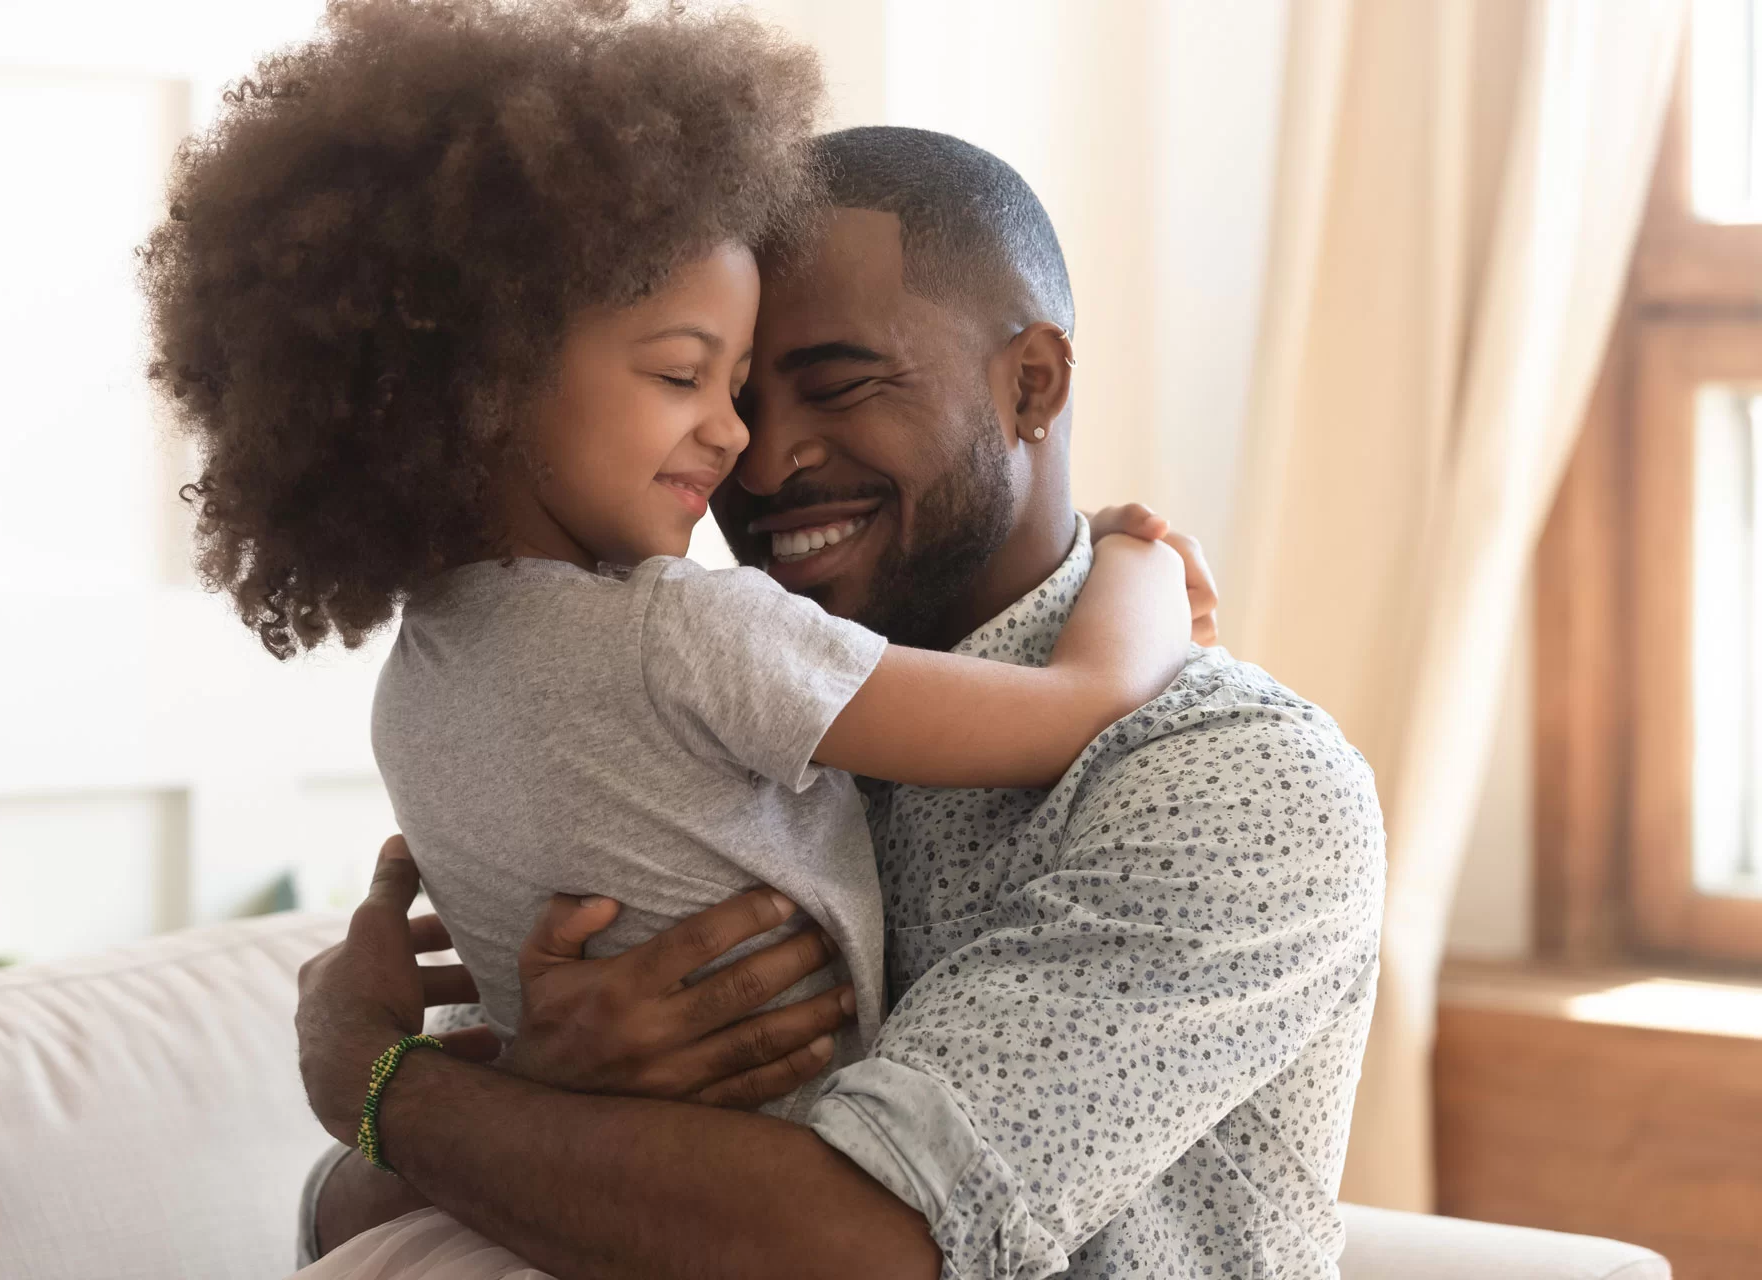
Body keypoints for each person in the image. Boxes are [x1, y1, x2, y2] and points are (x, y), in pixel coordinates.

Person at [139, 3, 1213, 1276]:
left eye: (797, 382)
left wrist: (398, 1079)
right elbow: (1088, 699)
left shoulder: (416, 688)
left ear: (1034, 381)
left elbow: (411, 1174)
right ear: (490, 382)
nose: (746, 441)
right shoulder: (691, 636)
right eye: (685, 376)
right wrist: (1142, 558)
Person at [293, 123, 1387, 1280]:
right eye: (718, 388)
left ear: (1033, 382)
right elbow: (355, 1216)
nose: (756, 463)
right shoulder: (664, 698)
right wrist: (515, 1087)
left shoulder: (1234, 780)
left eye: (839, 386)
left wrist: (379, 1082)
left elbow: (872, 1247)